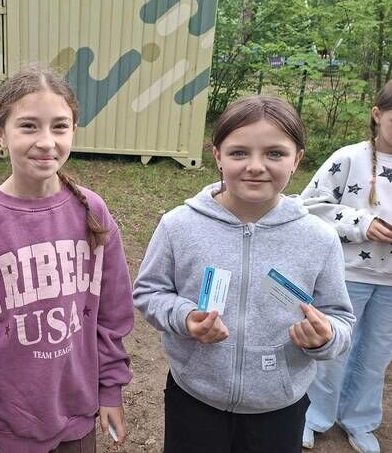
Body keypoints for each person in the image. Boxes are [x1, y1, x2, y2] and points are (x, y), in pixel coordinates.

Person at [133, 95, 355, 453]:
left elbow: (341, 319)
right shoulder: (179, 226)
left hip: (279, 406)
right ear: (217, 156)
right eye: (239, 153)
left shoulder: (319, 238)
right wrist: (185, 318)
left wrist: (325, 337)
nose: (255, 166)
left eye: (275, 153)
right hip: (195, 397)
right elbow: (148, 292)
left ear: (297, 159)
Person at [0, 66, 134, 453]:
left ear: (73, 130)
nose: (46, 142)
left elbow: (112, 311)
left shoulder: (92, 211)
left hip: (78, 416)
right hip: (10, 426)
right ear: (0, 132)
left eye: (59, 127)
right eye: (28, 126)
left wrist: (110, 388)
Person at [300, 81, 392, 453]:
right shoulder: (349, 158)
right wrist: (360, 224)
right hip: (347, 275)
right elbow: (308, 205)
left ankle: (360, 420)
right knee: (332, 350)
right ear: (377, 115)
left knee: (376, 356)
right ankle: (312, 416)